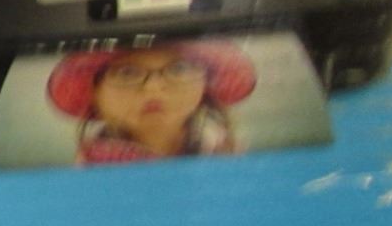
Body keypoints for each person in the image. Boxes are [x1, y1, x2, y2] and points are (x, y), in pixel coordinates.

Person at [45, 41, 256, 165]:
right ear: (96, 94)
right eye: (127, 73)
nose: (153, 88)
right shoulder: (94, 169)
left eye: (179, 69)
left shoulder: (226, 153)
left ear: (206, 84)